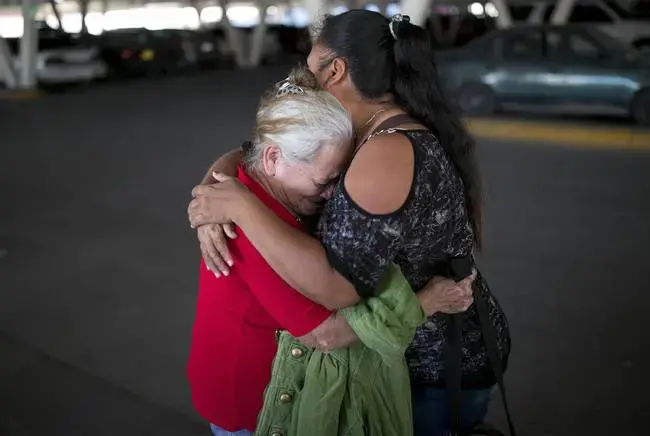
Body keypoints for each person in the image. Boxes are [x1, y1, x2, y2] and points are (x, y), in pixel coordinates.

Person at [189, 10, 511, 436]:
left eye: (309, 70)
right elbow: (260, 151)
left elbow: (337, 291)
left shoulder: (384, 151)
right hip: (407, 357)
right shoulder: (363, 129)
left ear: (335, 69)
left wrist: (238, 205)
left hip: (435, 365)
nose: (302, 84)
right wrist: (215, 189)